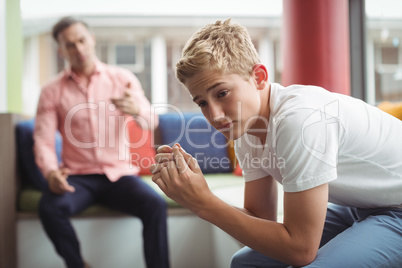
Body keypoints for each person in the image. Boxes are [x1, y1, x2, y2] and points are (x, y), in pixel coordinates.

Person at [150, 19, 402, 267]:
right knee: (246, 263)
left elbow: (300, 250)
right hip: (361, 205)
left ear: (258, 77)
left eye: (222, 93)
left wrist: (204, 203)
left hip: (397, 208)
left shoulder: (299, 120)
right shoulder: (246, 129)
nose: (214, 115)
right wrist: (194, 195)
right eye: (202, 103)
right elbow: (261, 219)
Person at [34, 16, 169, 268]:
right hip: (78, 178)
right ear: (60, 50)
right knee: (49, 208)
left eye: (82, 40)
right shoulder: (51, 90)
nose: (79, 49)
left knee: (155, 205)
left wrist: (135, 110)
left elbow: (151, 121)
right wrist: (51, 172)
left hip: (119, 176)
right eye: (70, 44)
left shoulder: (122, 79)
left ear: (92, 40)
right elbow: (43, 138)